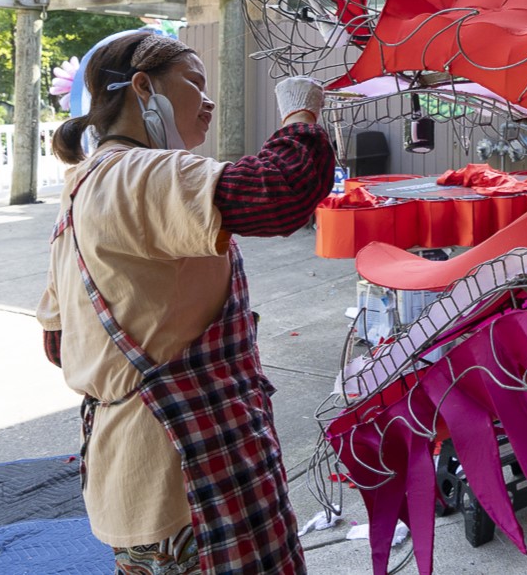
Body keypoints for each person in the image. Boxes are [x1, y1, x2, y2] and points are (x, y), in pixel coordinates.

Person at [37, 30, 334, 574]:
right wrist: (300, 112)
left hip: (127, 473)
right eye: (195, 82)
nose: (211, 99)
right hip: (190, 473)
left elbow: (57, 340)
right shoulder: (139, 172)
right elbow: (282, 189)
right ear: (144, 88)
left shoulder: (80, 186)